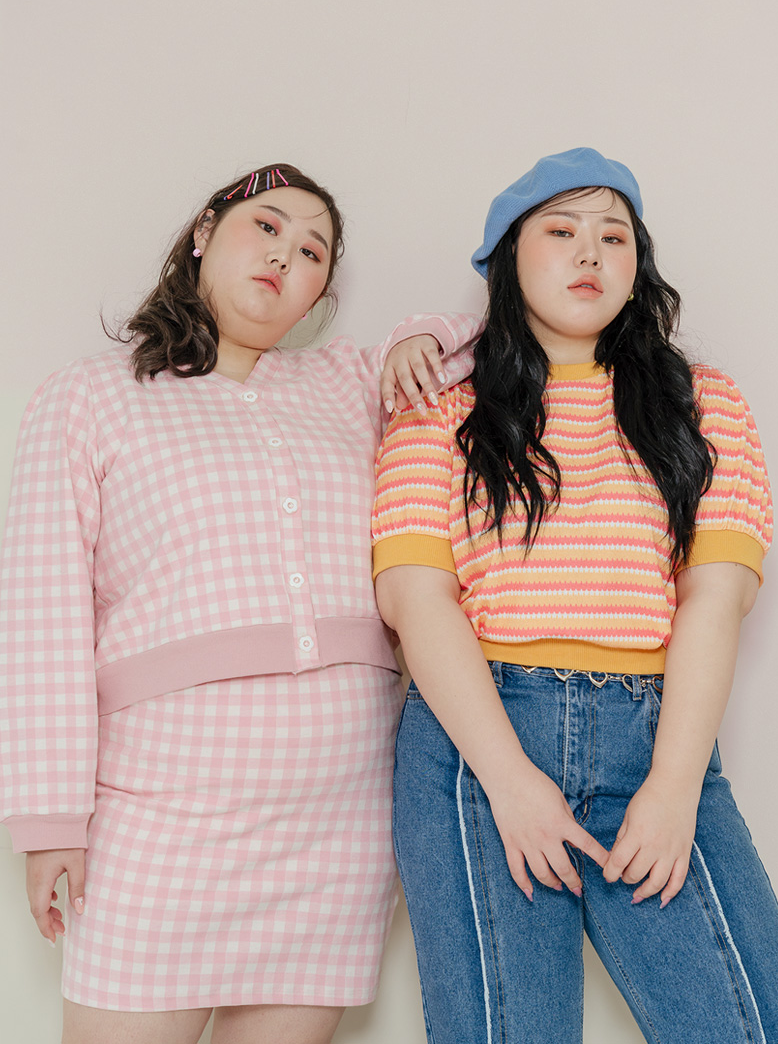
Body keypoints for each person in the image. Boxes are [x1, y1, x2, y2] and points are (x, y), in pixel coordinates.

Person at [0, 161, 479, 1044]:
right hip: (159, 813)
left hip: (337, 826)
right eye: (267, 225)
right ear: (203, 233)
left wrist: (418, 333)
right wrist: (49, 820)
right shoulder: (90, 397)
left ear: (320, 295)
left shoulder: (352, 384)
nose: (285, 255)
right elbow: (42, 617)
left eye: (312, 251)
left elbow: (498, 336)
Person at [372, 147, 778, 1044]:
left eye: (614, 236)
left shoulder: (704, 404)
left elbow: (714, 599)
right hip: (477, 745)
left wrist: (673, 785)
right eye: (560, 230)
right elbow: (417, 601)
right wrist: (510, 779)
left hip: (658, 741)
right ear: (507, 259)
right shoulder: (439, 407)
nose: (589, 253)